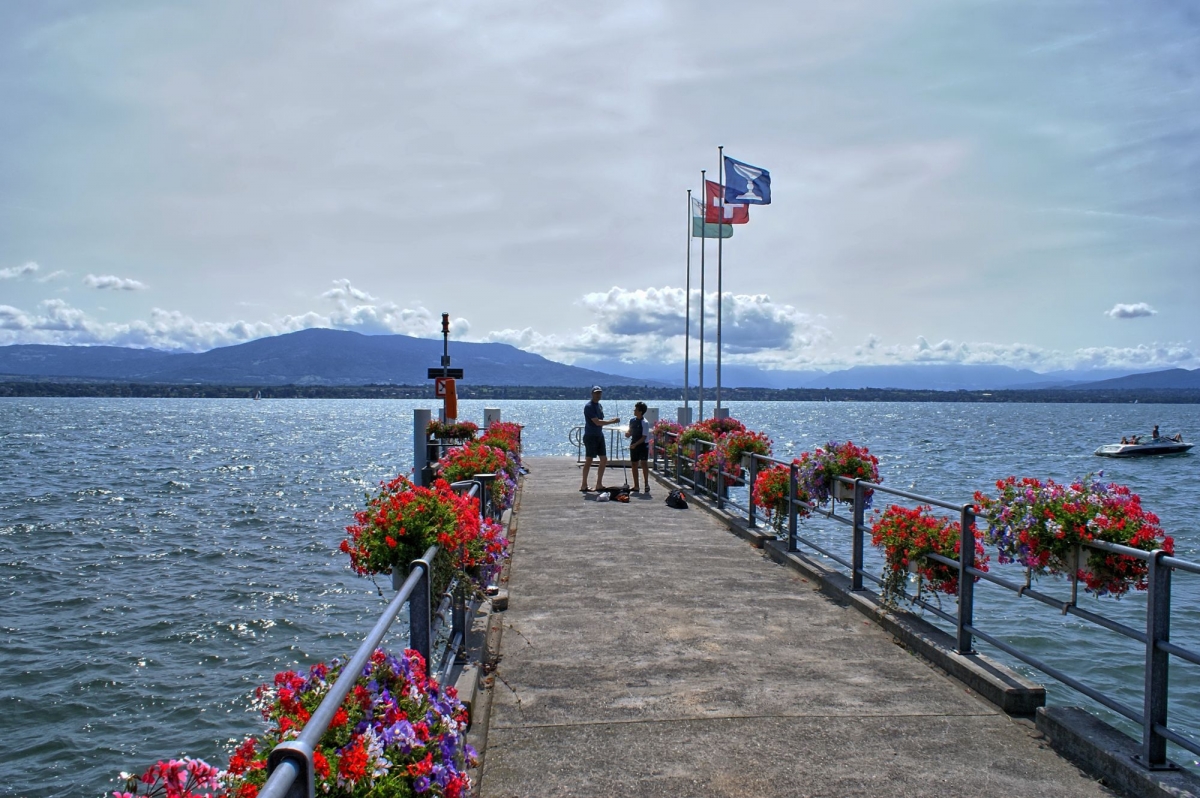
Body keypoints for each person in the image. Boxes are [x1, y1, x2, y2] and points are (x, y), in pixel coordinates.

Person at [579, 386, 618, 493]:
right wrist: (612, 421)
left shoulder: (599, 406)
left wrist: (611, 421)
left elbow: (601, 420)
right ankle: (584, 484)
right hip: (590, 436)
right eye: (596, 393)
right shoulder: (589, 407)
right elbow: (597, 422)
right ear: (592, 394)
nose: (598, 395)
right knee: (589, 460)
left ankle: (599, 484)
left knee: (604, 459)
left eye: (599, 393)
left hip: (599, 435)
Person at [625, 401, 650, 494]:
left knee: (644, 463)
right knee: (634, 464)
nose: (634, 411)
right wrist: (628, 433)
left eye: (636, 409)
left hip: (643, 445)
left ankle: (646, 484)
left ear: (640, 411)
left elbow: (644, 437)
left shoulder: (645, 423)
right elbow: (630, 430)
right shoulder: (632, 420)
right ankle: (636, 485)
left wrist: (635, 444)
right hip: (634, 443)